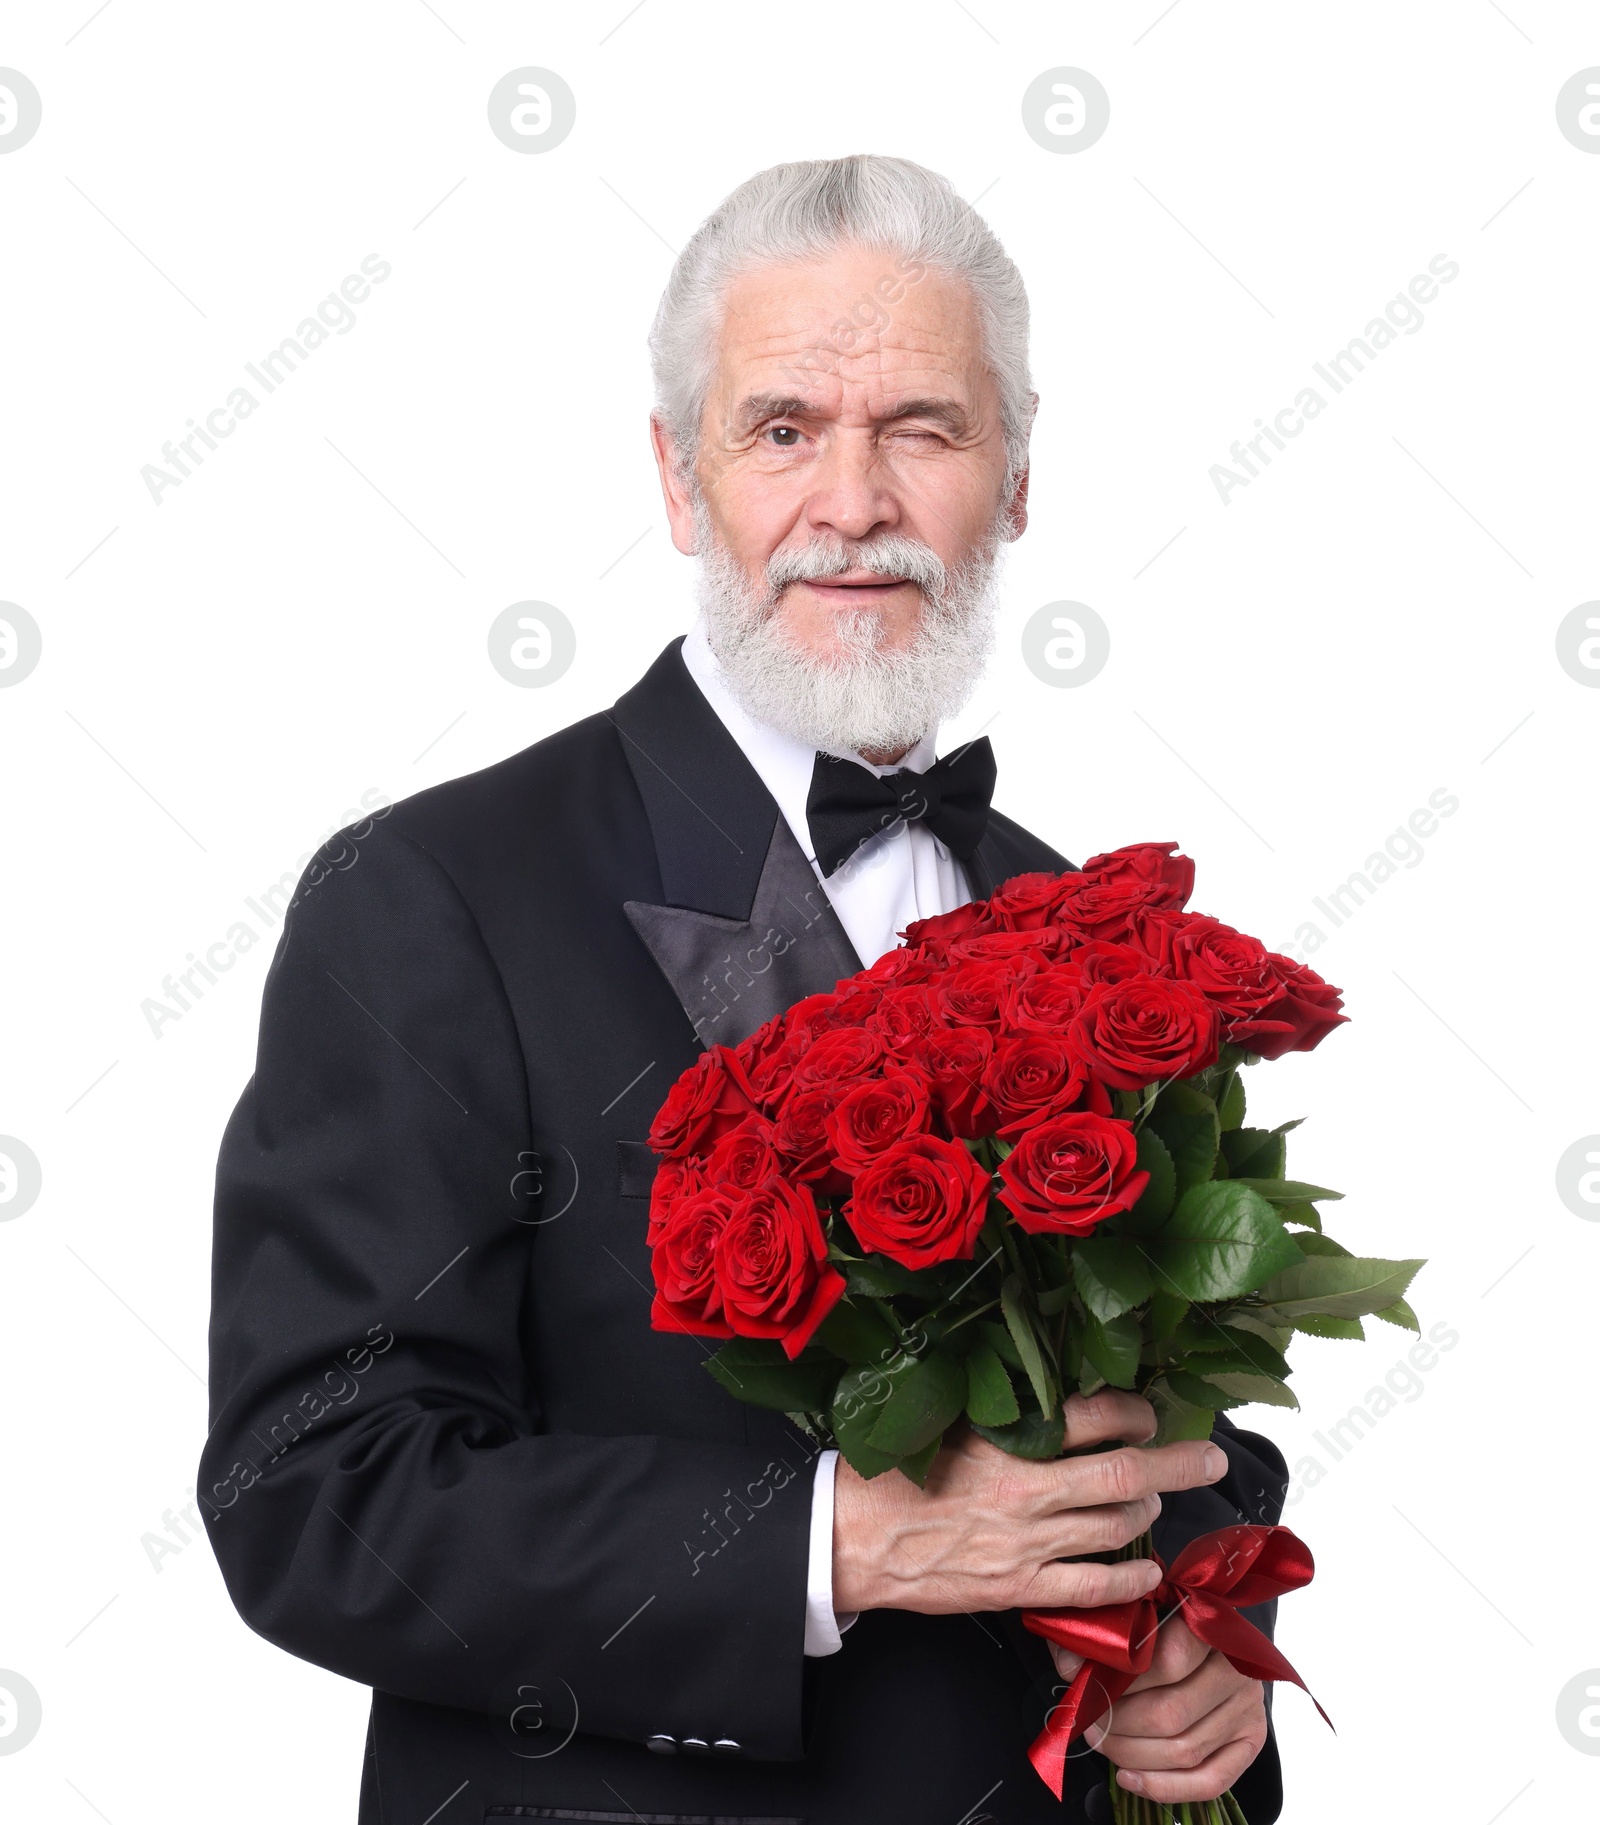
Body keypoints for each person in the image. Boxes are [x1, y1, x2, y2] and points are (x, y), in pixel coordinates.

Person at [201, 154, 1289, 1824]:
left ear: (1014, 480)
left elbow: (1170, 1404)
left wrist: (1201, 1638)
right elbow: (317, 1492)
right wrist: (837, 1542)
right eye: (783, 428)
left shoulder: (1081, 915)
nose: (851, 504)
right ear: (677, 474)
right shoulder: (429, 896)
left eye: (921, 426)